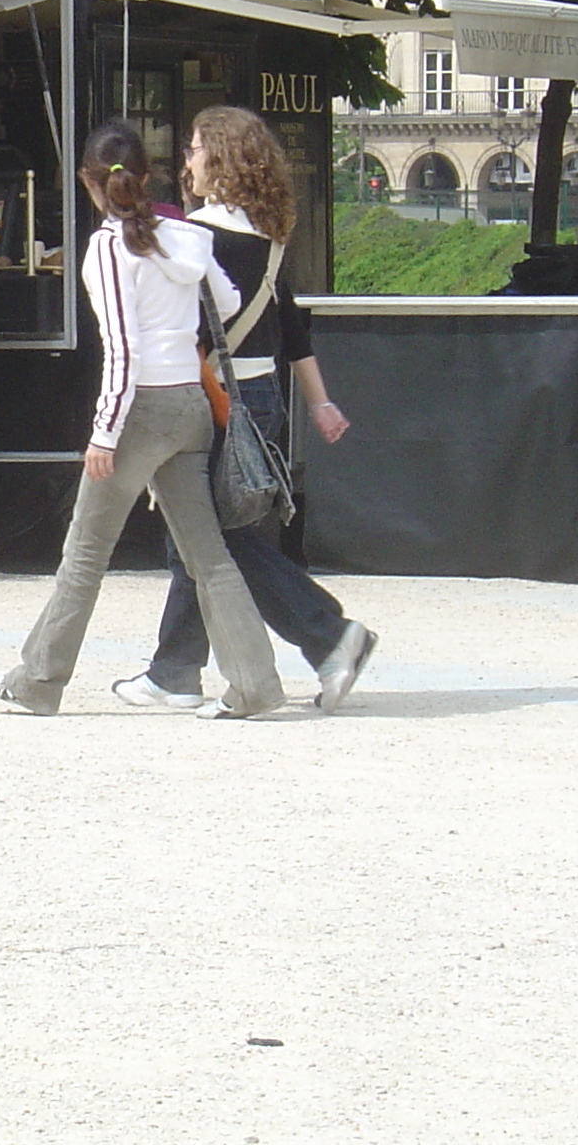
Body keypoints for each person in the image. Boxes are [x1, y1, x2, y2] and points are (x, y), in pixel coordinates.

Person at [0, 125, 283, 717]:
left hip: (138, 410)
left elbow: (120, 349)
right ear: (148, 178)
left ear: (92, 185)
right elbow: (225, 303)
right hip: (189, 408)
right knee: (209, 556)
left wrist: (103, 432)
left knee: (86, 553)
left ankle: (40, 680)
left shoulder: (106, 249)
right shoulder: (188, 236)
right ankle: (255, 683)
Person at [113, 107, 377, 713]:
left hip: (211, 398)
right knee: (212, 538)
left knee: (213, 542)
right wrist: (321, 402)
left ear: (220, 158)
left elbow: (188, 331)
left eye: (196, 149)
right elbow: (292, 330)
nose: (188, 161)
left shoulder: (191, 235)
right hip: (262, 399)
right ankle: (175, 669)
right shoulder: (271, 239)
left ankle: (330, 636)